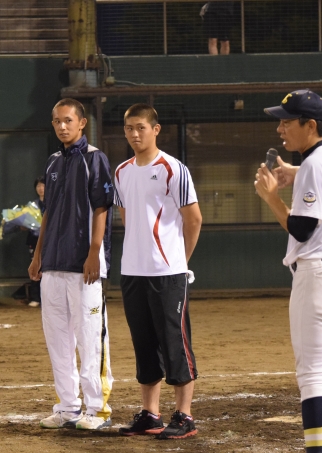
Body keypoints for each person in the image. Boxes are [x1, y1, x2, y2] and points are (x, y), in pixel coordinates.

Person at [254, 89, 322, 453]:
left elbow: (301, 229)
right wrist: (293, 172)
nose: (280, 128)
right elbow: (321, 173)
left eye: (287, 121)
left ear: (310, 125)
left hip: (317, 278)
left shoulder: (315, 164)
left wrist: (272, 197)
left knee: (313, 375)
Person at [114, 104, 202, 440]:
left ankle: (185, 416)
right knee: (144, 343)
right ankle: (150, 414)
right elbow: (127, 217)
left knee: (174, 342)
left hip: (168, 273)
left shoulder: (173, 169)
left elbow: (194, 219)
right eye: (129, 128)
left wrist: (179, 260)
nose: (135, 134)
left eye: (141, 127)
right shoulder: (121, 172)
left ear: (155, 129)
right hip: (132, 272)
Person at [28, 98, 114, 431]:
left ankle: (98, 409)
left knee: (90, 338)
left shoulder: (95, 158)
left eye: (68, 120)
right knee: (58, 340)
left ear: (81, 123)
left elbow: (102, 207)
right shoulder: (53, 162)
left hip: (84, 265)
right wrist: (38, 255)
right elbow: (48, 212)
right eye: (57, 121)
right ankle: (67, 407)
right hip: (53, 264)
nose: (62, 126)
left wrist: (95, 252)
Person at [25, 176, 45, 307]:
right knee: (35, 267)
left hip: (50, 241)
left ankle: (47, 298)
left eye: (43, 185)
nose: (40, 188)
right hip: (34, 240)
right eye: (38, 186)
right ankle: (35, 297)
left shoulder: (54, 202)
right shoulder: (32, 205)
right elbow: (26, 223)